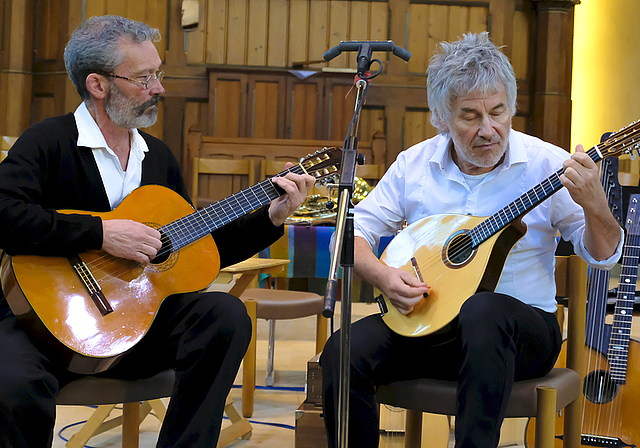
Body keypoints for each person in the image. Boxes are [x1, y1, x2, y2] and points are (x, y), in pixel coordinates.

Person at [0, 15, 315, 448]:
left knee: (225, 317)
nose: (160, 89)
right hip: (40, 326)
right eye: (145, 78)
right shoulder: (47, 141)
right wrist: (100, 234)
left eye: (159, 74)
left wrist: (272, 215)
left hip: (136, 326)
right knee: (12, 382)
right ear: (98, 85)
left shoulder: (159, 158)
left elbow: (198, 248)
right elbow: (5, 214)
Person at [321, 32, 623, 448]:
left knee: (484, 311)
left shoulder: (548, 165)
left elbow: (604, 257)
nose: (488, 129)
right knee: (343, 351)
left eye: (498, 112)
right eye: (469, 116)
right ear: (441, 117)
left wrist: (596, 206)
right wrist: (382, 276)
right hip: (431, 327)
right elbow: (351, 232)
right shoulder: (414, 165)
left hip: (522, 336)